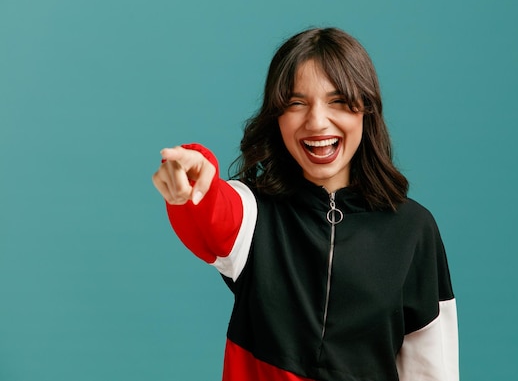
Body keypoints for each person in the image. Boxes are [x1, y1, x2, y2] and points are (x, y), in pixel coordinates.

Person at [152, 27, 459, 381]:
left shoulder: (413, 230)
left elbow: (430, 368)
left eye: (337, 101)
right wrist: (191, 180)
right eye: (296, 103)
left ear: (366, 109)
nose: (316, 121)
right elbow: (214, 212)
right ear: (277, 116)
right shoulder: (255, 213)